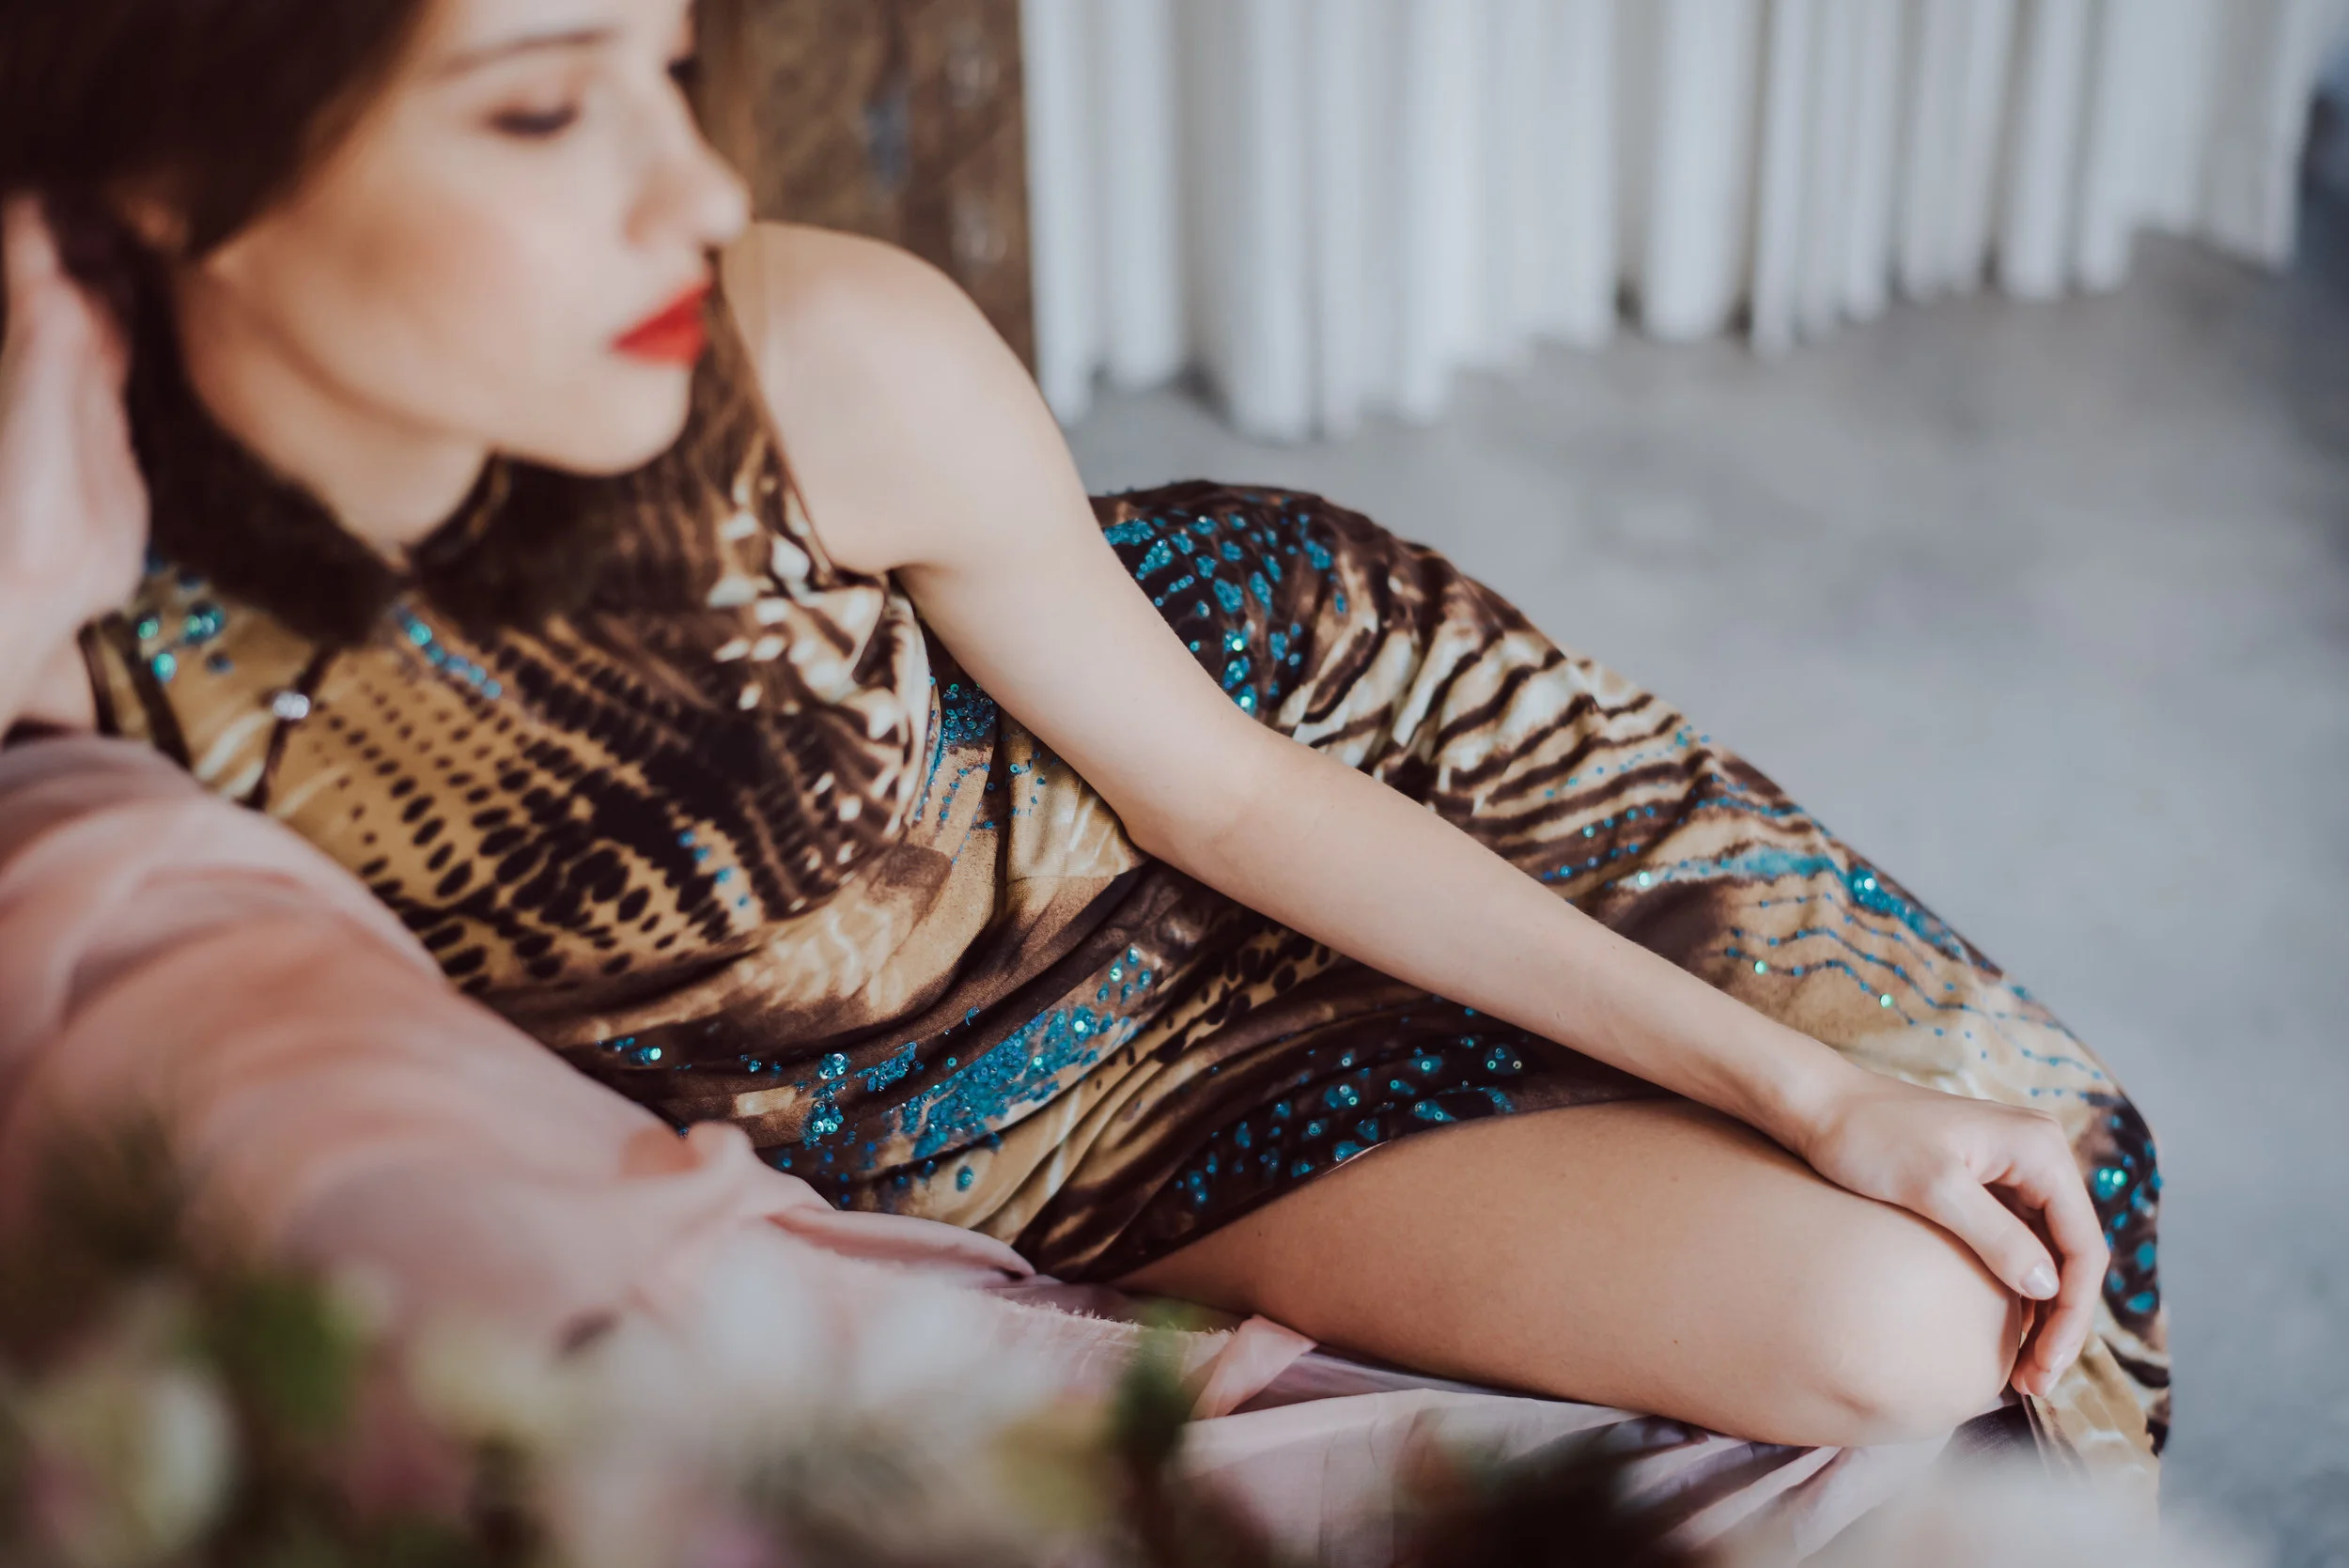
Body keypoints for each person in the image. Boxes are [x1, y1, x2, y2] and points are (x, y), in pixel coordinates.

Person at [0, 0, 2164, 1476]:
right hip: (913, 1153)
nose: (696, 191)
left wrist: (1812, 1093)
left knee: (1948, 1286)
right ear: (173, 180)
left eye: (664, 65)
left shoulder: (817, 354)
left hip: (1226, 829)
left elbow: (1218, 786)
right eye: (541, 111)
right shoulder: (87, 594)